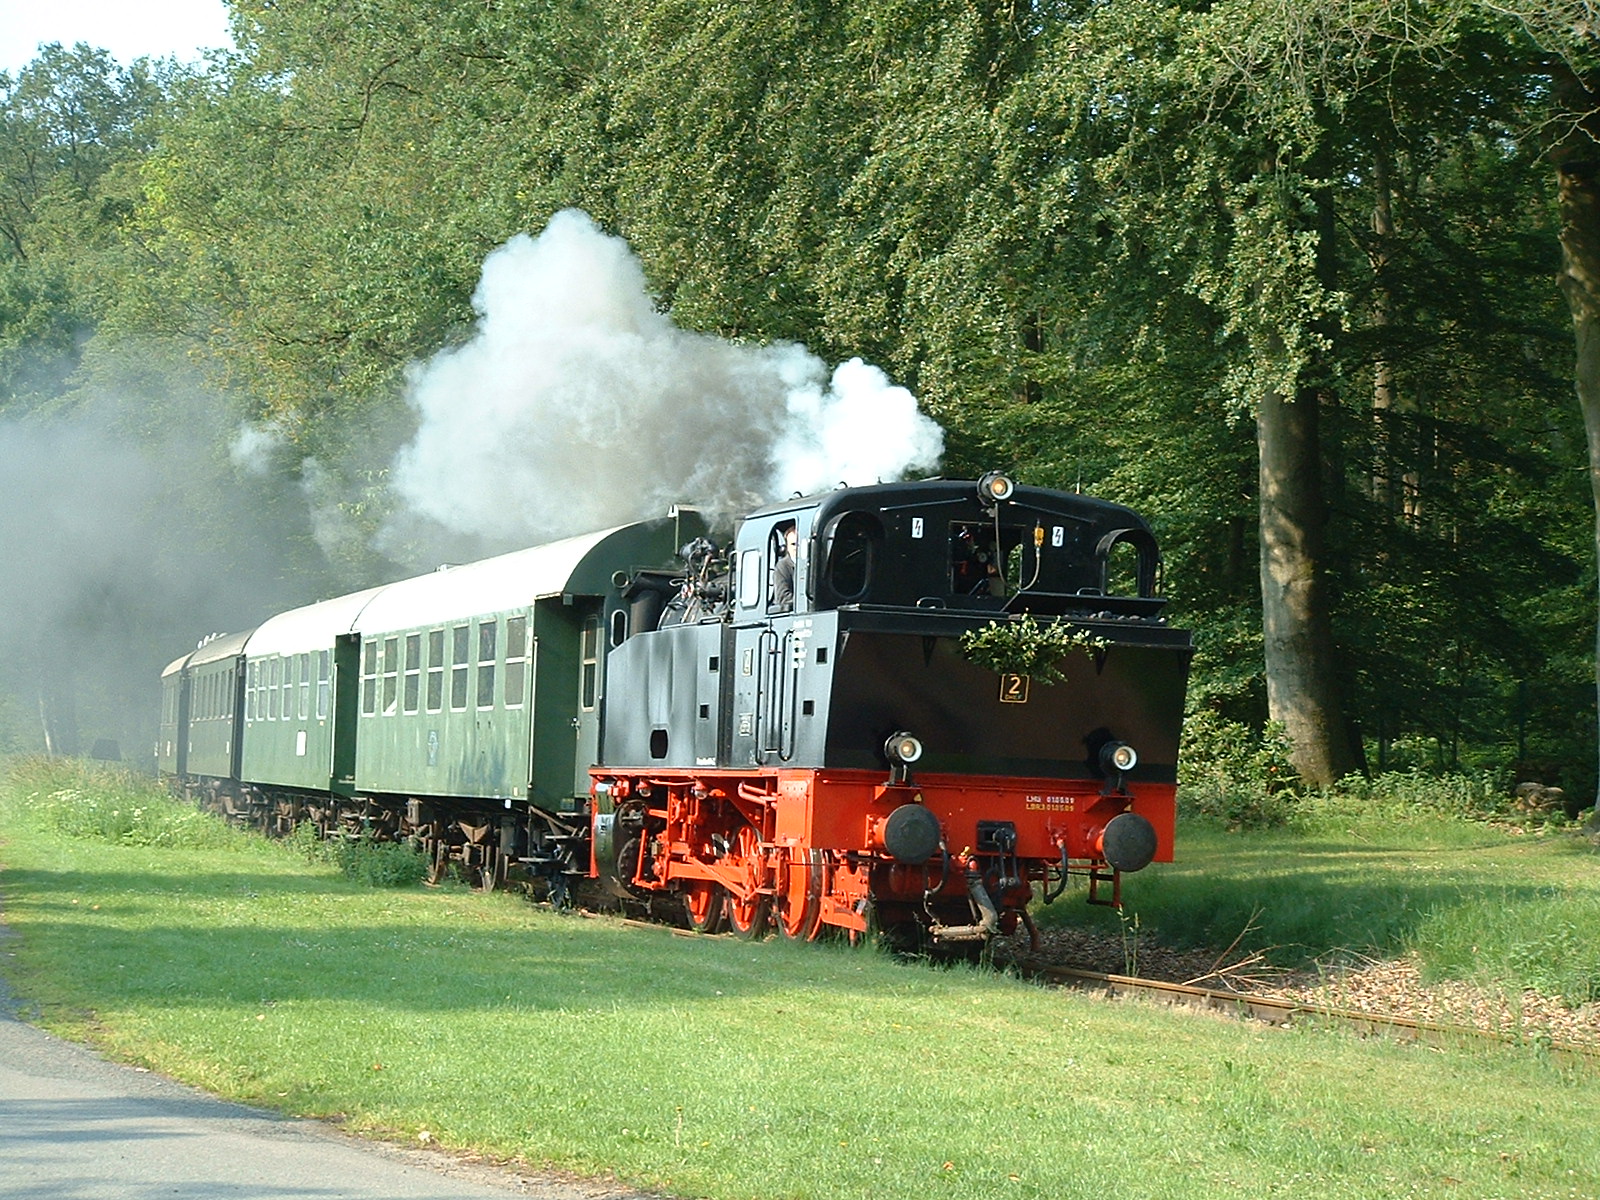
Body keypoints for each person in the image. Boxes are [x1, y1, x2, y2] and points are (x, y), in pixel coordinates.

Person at [772, 523, 798, 611]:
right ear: (787, 547)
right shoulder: (782, 567)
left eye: (799, 543)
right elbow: (783, 597)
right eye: (793, 544)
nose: (797, 547)